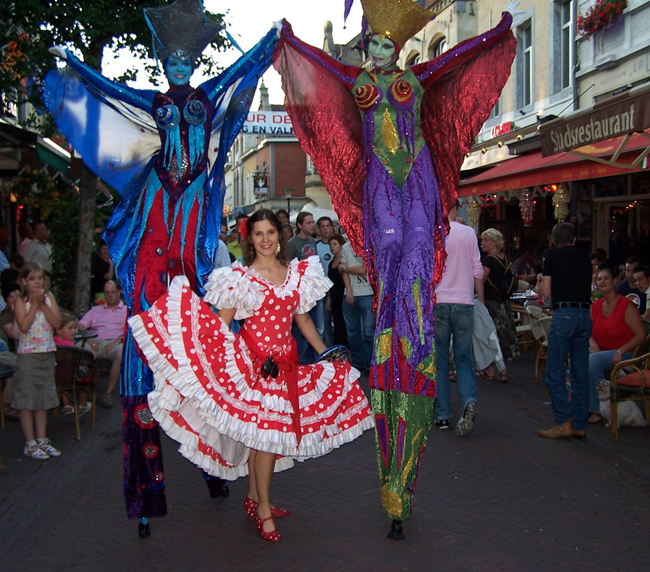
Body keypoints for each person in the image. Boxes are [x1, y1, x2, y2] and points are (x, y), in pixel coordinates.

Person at [274, 0, 516, 538]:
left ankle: (411, 329)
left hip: (419, 177)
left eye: (389, 44)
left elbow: (456, 57)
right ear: (366, 47)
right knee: (389, 258)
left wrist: (495, 34)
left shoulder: (416, 77)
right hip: (380, 183)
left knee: (412, 257)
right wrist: (290, 42)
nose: (382, 52)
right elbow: (324, 66)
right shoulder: (357, 78)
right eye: (375, 44)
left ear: (398, 47)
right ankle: (393, 325)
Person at [44, 0, 279, 534]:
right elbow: (113, 91)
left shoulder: (202, 96)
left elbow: (237, 73)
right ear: (161, 63)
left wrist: (269, 42)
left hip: (193, 201)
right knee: (145, 347)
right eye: (168, 60)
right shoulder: (154, 102)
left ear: (190, 65)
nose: (176, 66)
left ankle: (216, 469)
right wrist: (72, 66)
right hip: (161, 203)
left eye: (183, 60)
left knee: (203, 353)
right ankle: (147, 495)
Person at [128, 209, 373, 542]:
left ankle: (257, 498)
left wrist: (325, 354)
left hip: (285, 367)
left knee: (266, 439)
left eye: (271, 232)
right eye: (258, 234)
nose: (266, 239)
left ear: (280, 235)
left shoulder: (295, 274)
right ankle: (263, 509)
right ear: (250, 239)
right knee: (266, 439)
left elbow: (302, 320)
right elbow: (220, 322)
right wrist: (205, 350)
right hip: (252, 368)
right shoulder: (241, 277)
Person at [536, 223, 593, 440]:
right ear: (575, 239)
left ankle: (563, 421)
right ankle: (580, 423)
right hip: (584, 313)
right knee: (580, 370)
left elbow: (547, 292)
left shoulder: (551, 255)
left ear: (553, 240)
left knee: (555, 370)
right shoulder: (585, 258)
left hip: (564, 313)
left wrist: (541, 283)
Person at [434, 199, 484, 435]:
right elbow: (478, 269)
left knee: (441, 361)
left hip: (439, 302)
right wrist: (479, 299)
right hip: (464, 301)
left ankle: (443, 415)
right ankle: (468, 401)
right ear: (455, 209)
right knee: (464, 359)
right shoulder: (469, 233)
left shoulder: (433, 234)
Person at [11, 262, 62, 459]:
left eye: (40, 278)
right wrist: (34, 305)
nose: (37, 282)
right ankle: (30, 443)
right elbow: (23, 326)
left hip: (46, 352)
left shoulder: (49, 298)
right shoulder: (20, 301)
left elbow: (57, 323)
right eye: (32, 279)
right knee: (27, 399)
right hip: (28, 354)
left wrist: (43, 304)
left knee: (42, 398)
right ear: (24, 281)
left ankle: (42, 439)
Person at [587, 263, 645, 424]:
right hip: (601, 349)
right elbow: (587, 331)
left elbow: (641, 335)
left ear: (614, 281)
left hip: (625, 353)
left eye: (606, 278)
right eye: (599, 279)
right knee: (577, 356)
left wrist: (620, 351)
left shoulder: (626, 306)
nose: (602, 281)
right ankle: (581, 401)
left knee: (593, 361)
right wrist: (593, 345)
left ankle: (596, 408)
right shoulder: (596, 305)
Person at [77, 280, 127, 408]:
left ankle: (108, 393)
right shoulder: (95, 310)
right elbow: (80, 325)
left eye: (112, 292)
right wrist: (89, 338)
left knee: (121, 353)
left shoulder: (127, 311)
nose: (110, 295)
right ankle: (84, 386)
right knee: (78, 349)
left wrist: (117, 341)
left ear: (118, 293)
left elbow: (131, 331)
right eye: (107, 292)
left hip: (115, 342)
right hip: (95, 341)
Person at [481, 228, 520, 381]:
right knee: (502, 334)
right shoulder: (505, 258)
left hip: (491, 302)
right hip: (504, 302)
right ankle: (499, 367)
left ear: (494, 243)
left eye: (486, 240)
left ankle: (493, 368)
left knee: (489, 335)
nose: (483, 243)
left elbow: (481, 280)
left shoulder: (488, 261)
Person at [288, 212, 323, 363]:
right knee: (302, 332)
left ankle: (317, 362)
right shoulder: (292, 244)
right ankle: (300, 363)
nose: (312, 225)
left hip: (316, 289)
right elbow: (288, 268)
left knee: (319, 328)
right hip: (301, 292)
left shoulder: (312, 241)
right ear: (299, 225)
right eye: (308, 223)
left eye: (312, 222)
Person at [339, 240, 374, 373]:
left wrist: (344, 268)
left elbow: (363, 269)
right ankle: (358, 364)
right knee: (352, 333)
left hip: (367, 293)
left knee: (368, 333)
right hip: (350, 294)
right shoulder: (346, 247)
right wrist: (349, 290)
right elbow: (343, 271)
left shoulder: (368, 244)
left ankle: (370, 366)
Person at [54, 312, 91, 416]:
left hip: (55, 376)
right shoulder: (70, 346)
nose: (74, 331)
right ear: (58, 330)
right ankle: (82, 405)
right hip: (71, 377)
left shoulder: (52, 343)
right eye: (70, 328)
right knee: (85, 372)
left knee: (62, 374)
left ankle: (67, 406)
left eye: (75, 328)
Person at [326, 233, 348, 347]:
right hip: (334, 297)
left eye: (334, 244)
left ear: (341, 245)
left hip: (343, 295)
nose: (332, 247)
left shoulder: (344, 262)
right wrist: (329, 299)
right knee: (337, 323)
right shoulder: (331, 263)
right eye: (330, 245)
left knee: (344, 323)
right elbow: (330, 282)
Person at [316, 216, 335, 346]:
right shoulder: (315, 246)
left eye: (327, 226)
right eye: (322, 226)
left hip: (339, 288)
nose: (325, 229)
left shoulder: (339, 245)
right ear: (318, 229)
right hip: (322, 290)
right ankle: (328, 351)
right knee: (325, 324)